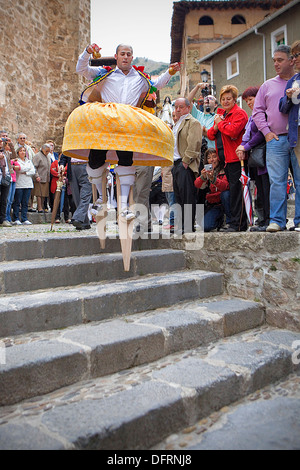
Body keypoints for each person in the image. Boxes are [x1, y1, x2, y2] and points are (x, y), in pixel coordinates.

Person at [63, 43, 180, 226]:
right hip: (106, 122)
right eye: (122, 54)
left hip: (129, 124)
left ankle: (124, 205)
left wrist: (170, 72)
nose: (125, 57)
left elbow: (157, 84)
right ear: (116, 56)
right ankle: (101, 198)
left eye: (129, 54)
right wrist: (86, 52)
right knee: (96, 159)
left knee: (126, 161)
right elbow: (81, 69)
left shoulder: (141, 77)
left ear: (132, 57)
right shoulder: (105, 73)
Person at [252, 44, 296, 232]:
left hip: (298, 139)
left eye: (280, 60)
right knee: (277, 182)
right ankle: (277, 221)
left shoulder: (298, 81)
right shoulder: (267, 85)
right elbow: (257, 112)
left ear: (292, 60)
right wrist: (267, 133)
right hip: (276, 140)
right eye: (274, 61)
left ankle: (299, 221)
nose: (276, 64)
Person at [207, 85, 249, 232]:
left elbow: (233, 132)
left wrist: (220, 123)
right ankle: (234, 222)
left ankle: (239, 224)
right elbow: (211, 134)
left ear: (234, 99)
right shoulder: (221, 115)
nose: (225, 101)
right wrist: (218, 124)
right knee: (232, 192)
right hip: (226, 160)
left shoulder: (239, 114)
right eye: (223, 99)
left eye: (228, 99)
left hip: (237, 159)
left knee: (237, 192)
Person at [236, 86, 270, 231]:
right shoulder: (252, 117)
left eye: (251, 99)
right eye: (246, 101)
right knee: (260, 191)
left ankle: (269, 220)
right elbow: (247, 135)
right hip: (256, 160)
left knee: (266, 190)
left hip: (265, 157)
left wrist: (246, 146)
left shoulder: (264, 113)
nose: (249, 103)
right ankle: (262, 221)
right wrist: (241, 147)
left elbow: (262, 133)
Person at [171, 97, 202, 234]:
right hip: (176, 163)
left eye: (181, 106)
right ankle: (182, 224)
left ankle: (189, 225)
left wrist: (186, 160)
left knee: (187, 195)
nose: (178, 109)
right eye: (176, 107)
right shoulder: (177, 123)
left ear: (188, 108)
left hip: (185, 164)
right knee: (179, 196)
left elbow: (194, 143)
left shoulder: (192, 122)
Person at [279, 40, 300, 232]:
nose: (295, 60)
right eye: (293, 56)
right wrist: (288, 96)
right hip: (297, 134)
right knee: (299, 178)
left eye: (297, 55)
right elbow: (284, 108)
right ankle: (299, 220)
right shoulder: (294, 81)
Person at [194, 148, 230, 232]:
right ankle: (219, 221)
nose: (212, 160)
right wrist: (203, 177)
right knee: (205, 226)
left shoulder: (224, 169)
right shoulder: (207, 172)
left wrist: (213, 179)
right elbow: (196, 184)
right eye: (209, 158)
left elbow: (225, 186)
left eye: (214, 156)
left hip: (225, 202)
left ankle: (229, 220)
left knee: (225, 194)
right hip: (214, 204)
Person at [59, 153, 92, 230]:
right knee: (76, 196)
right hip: (72, 166)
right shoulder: (71, 141)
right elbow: (65, 153)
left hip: (86, 164)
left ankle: (78, 218)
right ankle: (84, 221)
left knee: (85, 194)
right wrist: (62, 164)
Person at [187, 83, 218, 149]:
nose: (207, 99)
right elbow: (187, 101)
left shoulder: (217, 118)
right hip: (198, 153)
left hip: (212, 152)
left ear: (215, 105)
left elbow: (212, 135)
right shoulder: (197, 114)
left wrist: (200, 130)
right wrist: (197, 86)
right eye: (206, 98)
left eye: (211, 99)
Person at [12, 146, 36, 225]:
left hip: (28, 183)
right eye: (21, 151)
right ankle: (16, 218)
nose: (23, 152)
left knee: (25, 202)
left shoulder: (29, 161)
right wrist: (26, 169)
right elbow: (19, 168)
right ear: (18, 152)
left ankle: (24, 218)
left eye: (24, 151)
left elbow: (33, 170)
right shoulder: (16, 161)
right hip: (19, 183)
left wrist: (26, 172)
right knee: (17, 201)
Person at [32, 143, 51, 213]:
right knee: (39, 193)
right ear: (42, 149)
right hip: (39, 177)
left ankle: (41, 206)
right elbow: (34, 167)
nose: (47, 152)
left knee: (44, 194)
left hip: (46, 178)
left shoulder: (48, 156)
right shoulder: (37, 156)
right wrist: (36, 176)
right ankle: (39, 207)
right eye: (46, 151)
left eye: (49, 151)